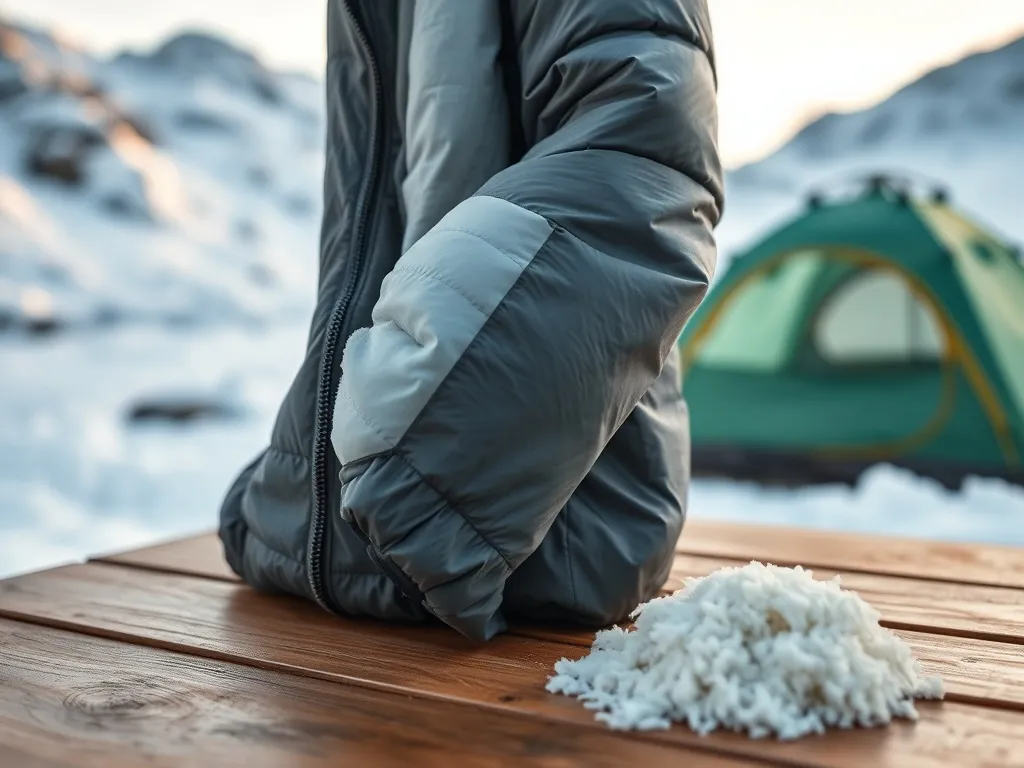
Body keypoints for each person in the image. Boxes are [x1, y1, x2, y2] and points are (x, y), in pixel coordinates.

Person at [220, 0, 722, 641]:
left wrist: (420, 472)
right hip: (372, 535)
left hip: (539, 541)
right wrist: (301, 487)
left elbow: (642, 161)